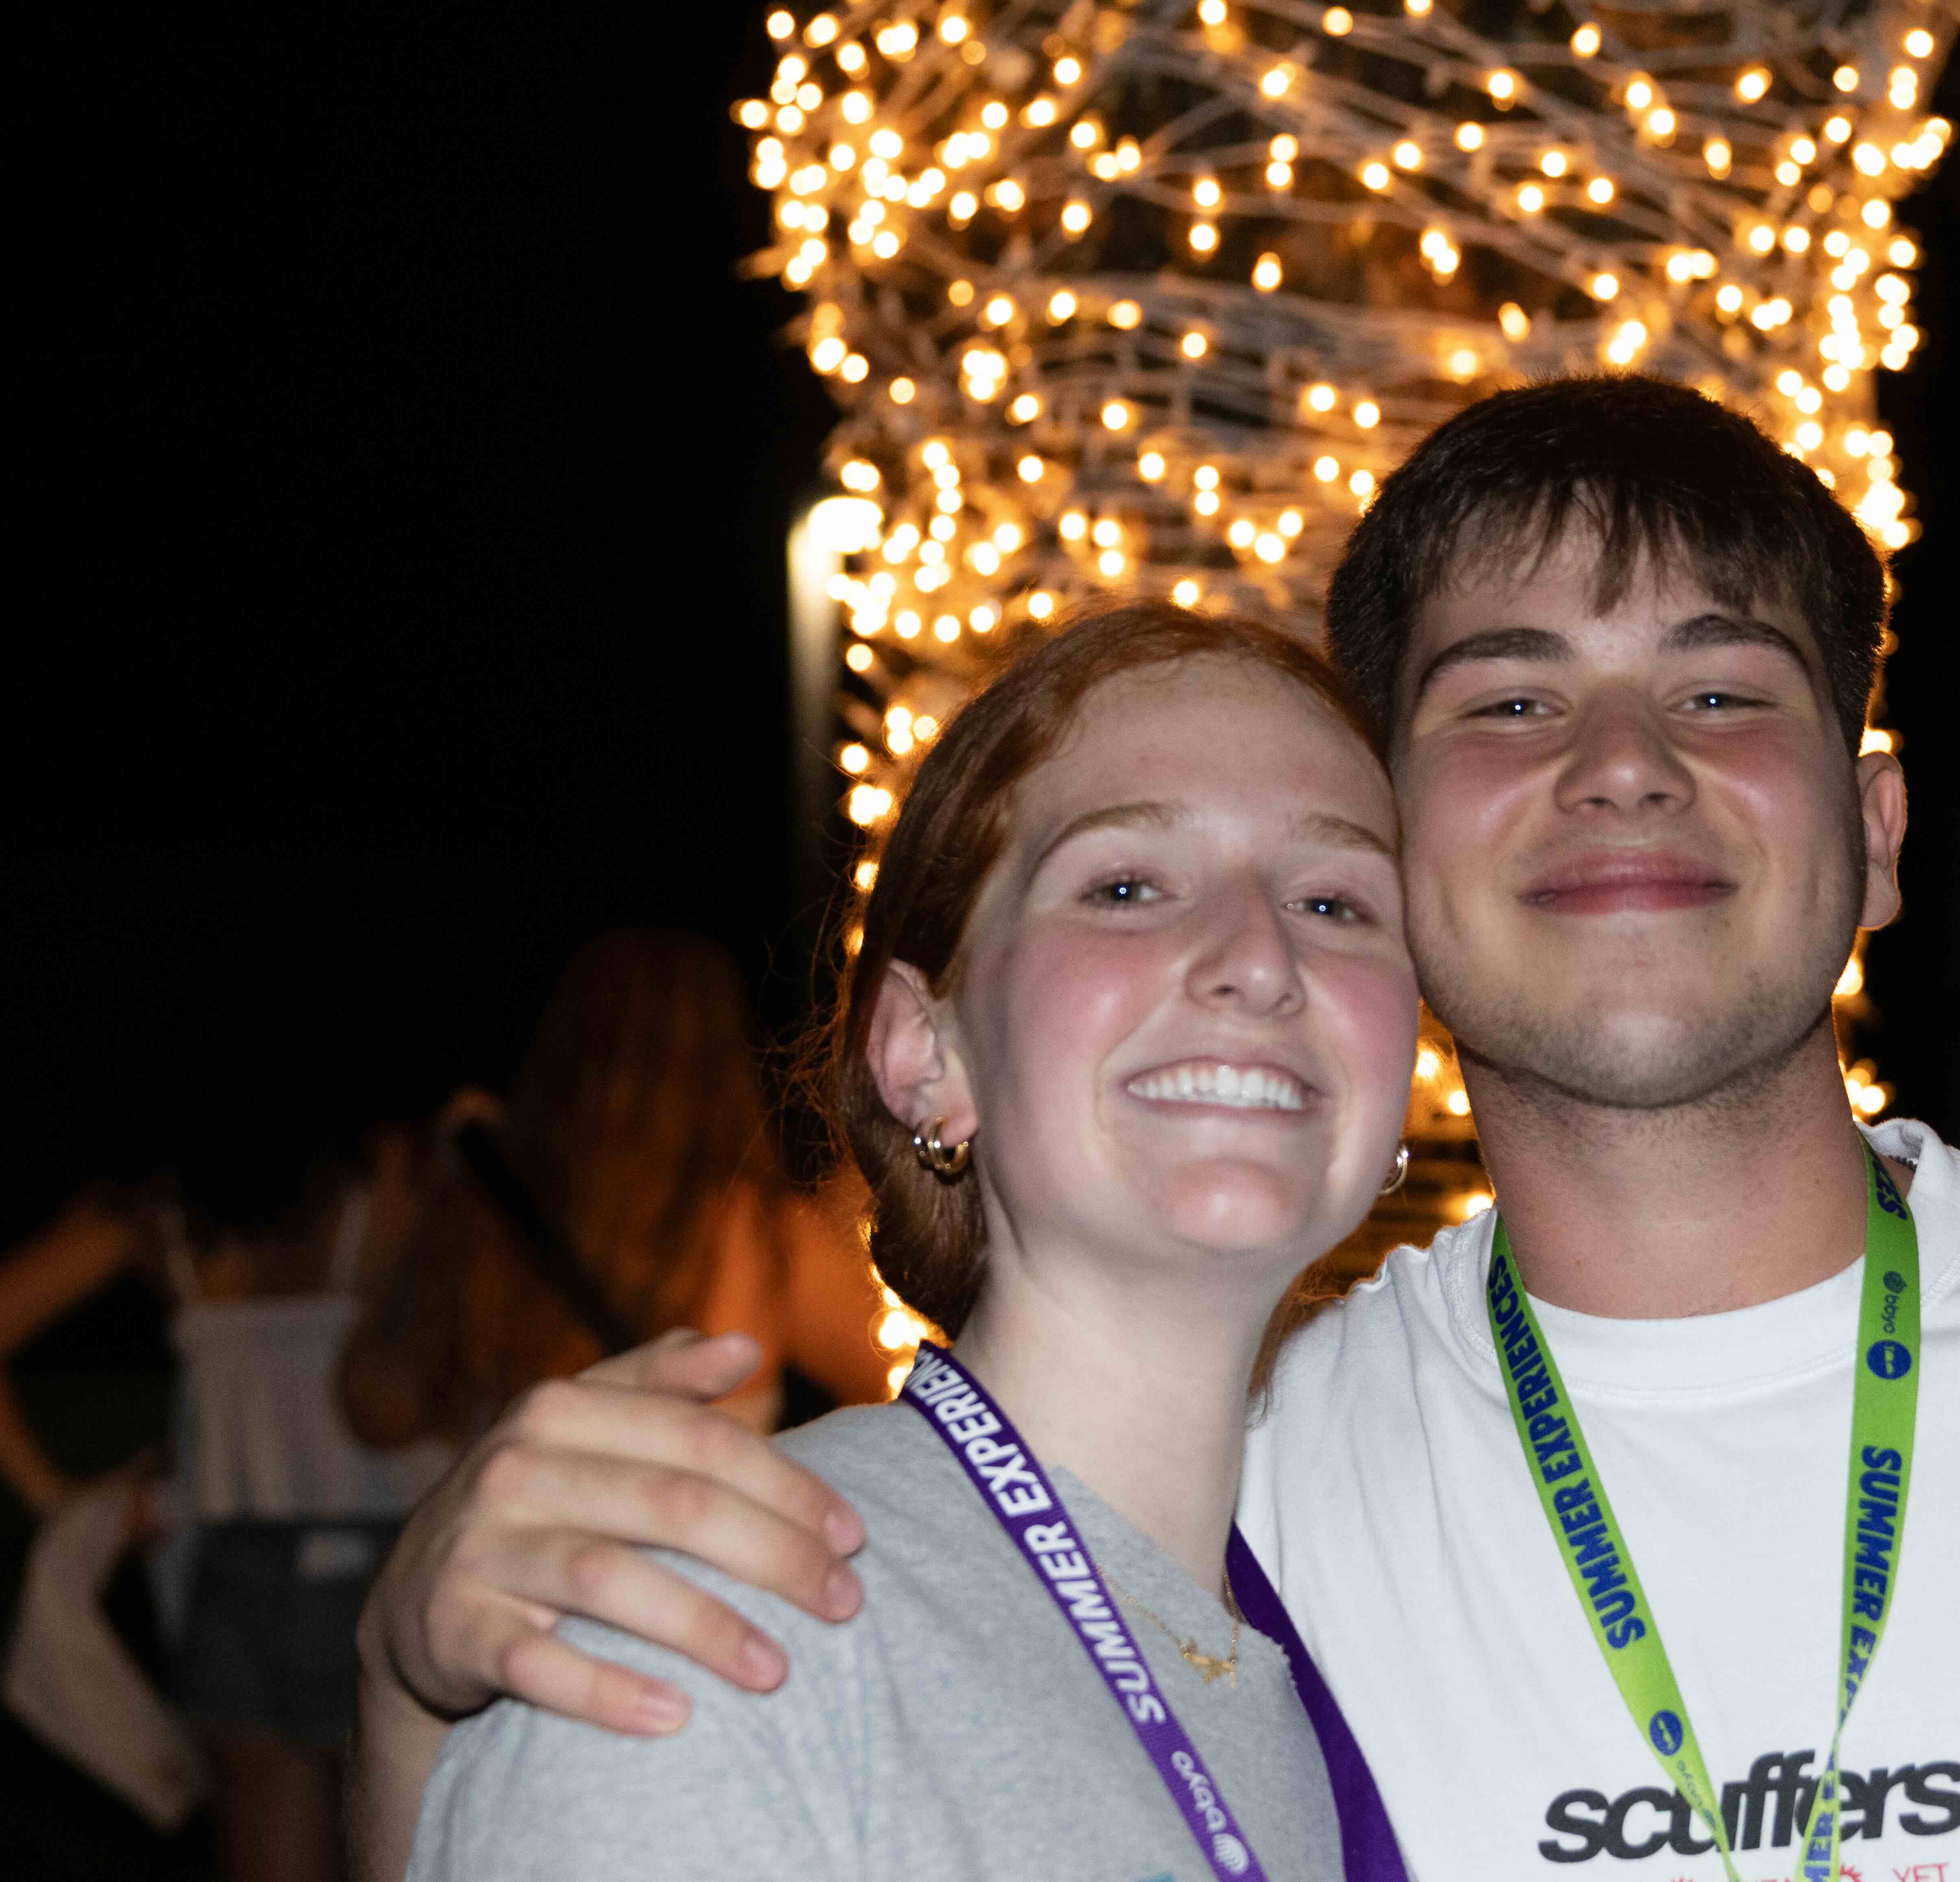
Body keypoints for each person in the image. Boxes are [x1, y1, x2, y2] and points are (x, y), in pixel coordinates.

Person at [355, 377, 1960, 1878]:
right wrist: (411, 1642)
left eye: (1721, 681)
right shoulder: (1209, 1511)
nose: (1622, 758)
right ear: (1405, 863)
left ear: (1876, 832)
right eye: (1507, 699)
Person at [396, 603, 1417, 1879]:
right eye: (1124, 885)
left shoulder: (1383, 1661)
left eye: (1335, 900)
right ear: (923, 1054)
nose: (1261, 960)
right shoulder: (727, 1637)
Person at [0, 1126, 444, 1882]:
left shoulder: (157, 1210)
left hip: (224, 1578)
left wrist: (59, 1500)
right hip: (374, 1565)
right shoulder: (399, 1174)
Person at [336, 929, 883, 1450]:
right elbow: (898, 1383)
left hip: (522, 1543)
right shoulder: (763, 1236)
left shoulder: (487, 1213)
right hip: (698, 1544)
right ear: (723, 1059)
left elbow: (378, 1411)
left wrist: (438, 1197)